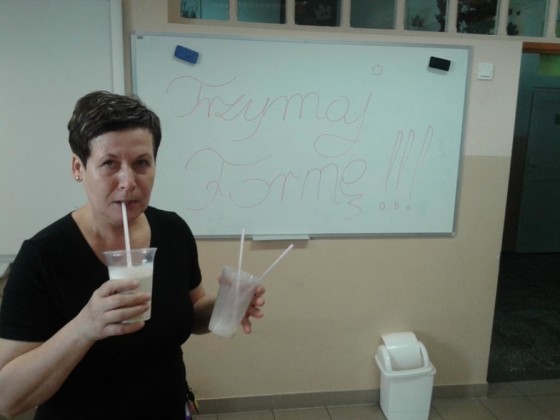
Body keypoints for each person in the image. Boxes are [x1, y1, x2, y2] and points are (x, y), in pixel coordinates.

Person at [0, 91, 265, 419]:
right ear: (78, 168)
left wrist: (226, 304)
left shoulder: (173, 230)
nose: (128, 182)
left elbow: (191, 311)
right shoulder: (43, 256)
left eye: (141, 163)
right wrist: (84, 327)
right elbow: (7, 399)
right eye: (109, 164)